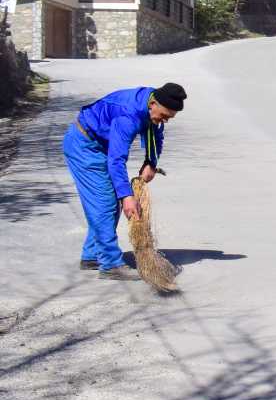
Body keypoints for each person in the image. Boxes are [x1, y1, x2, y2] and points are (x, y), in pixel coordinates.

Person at [62, 82, 186, 280]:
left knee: (110, 205)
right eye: (163, 115)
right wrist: (127, 196)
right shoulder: (128, 115)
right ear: (153, 103)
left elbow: (156, 132)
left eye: (169, 118)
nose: (165, 121)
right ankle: (110, 264)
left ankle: (92, 255)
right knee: (105, 204)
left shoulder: (152, 102)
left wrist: (151, 162)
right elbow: (116, 160)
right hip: (85, 146)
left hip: (101, 145)